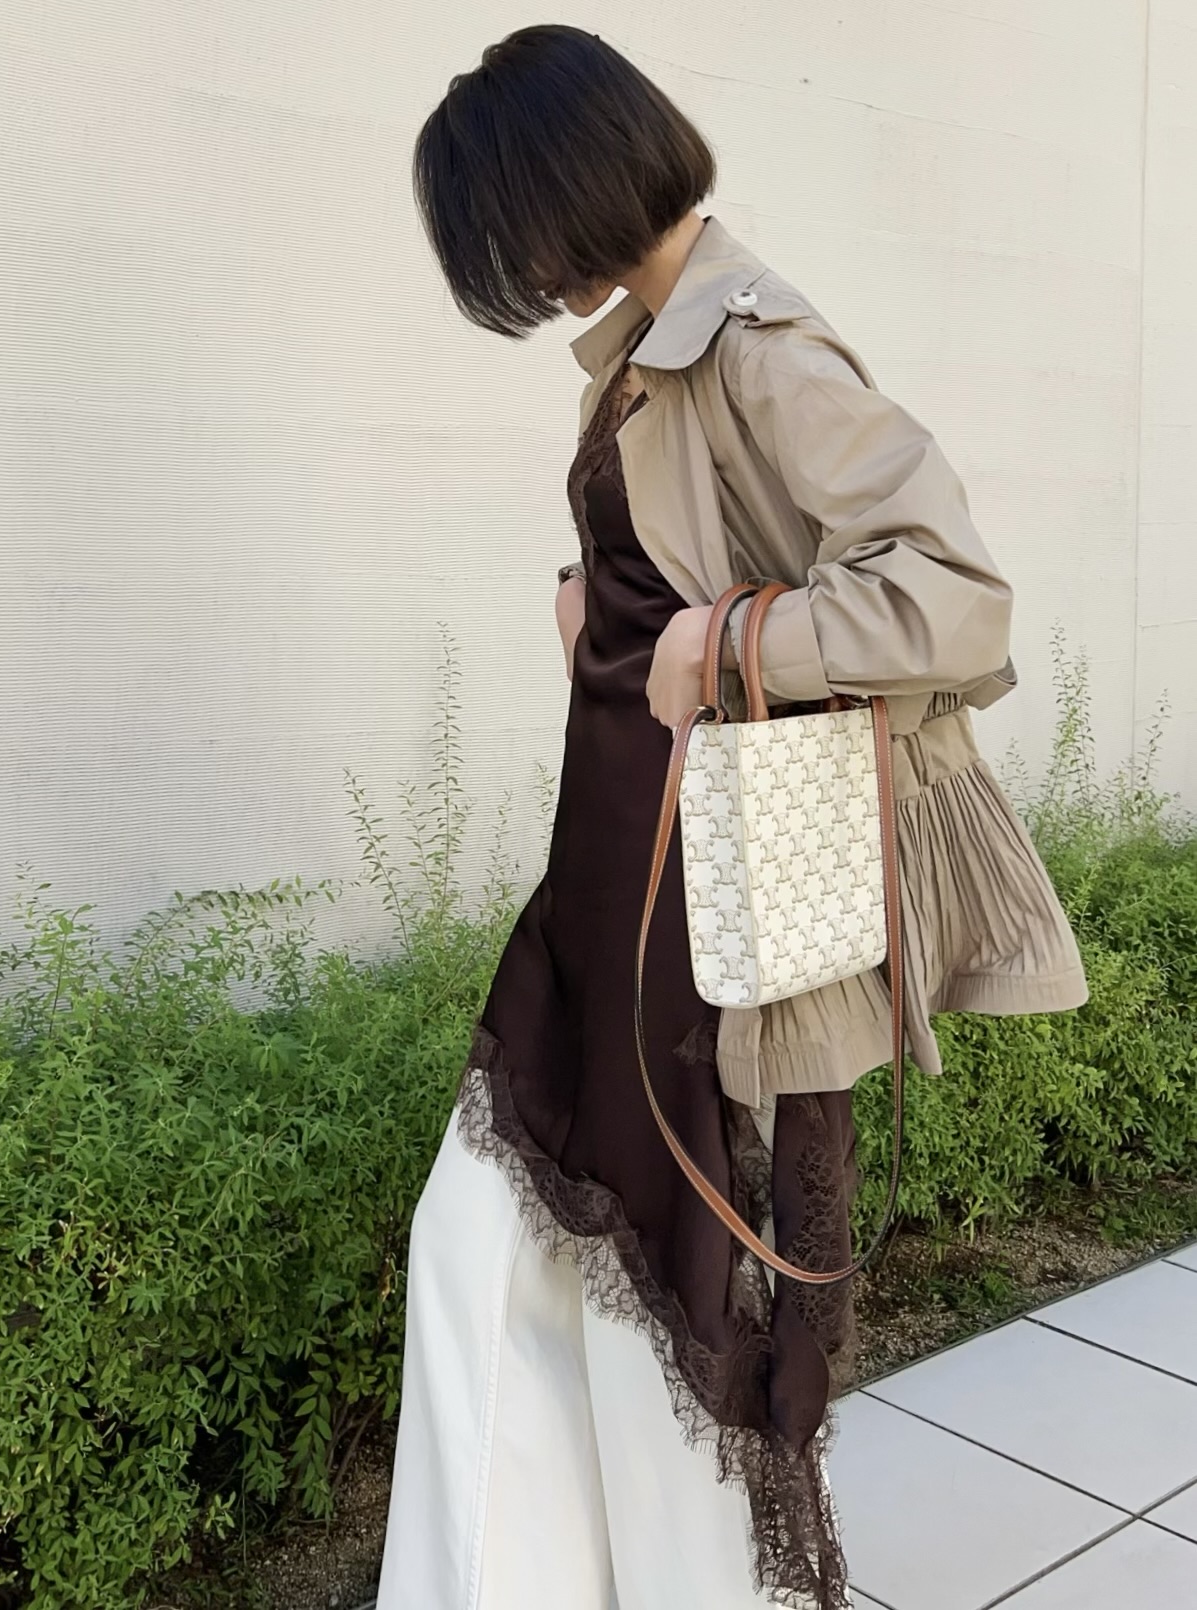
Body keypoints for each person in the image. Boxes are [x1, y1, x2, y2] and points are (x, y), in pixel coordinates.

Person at [376, 24, 1087, 1610]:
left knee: (643, 1306)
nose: (518, 278)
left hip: (708, 920)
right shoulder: (653, 338)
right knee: (495, 1266)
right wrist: (603, 615)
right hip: (608, 889)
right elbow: (680, 571)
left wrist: (735, 639)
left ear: (561, 191)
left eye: (507, 235)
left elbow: (954, 596)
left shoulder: (754, 345)